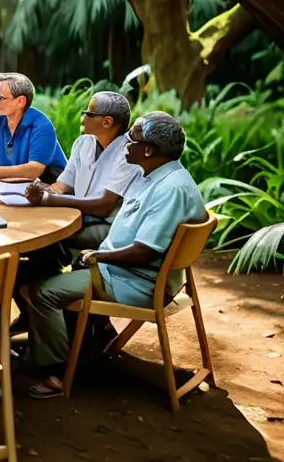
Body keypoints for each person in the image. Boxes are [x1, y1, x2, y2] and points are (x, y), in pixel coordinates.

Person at [23, 112, 207, 399]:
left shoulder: (169, 189)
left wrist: (98, 257)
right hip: (133, 273)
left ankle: (56, 372)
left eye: (131, 140)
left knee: (41, 292)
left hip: (134, 281)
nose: (125, 146)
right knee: (60, 267)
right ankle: (84, 344)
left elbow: (145, 251)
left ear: (148, 150)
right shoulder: (157, 175)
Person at [25, 92, 142, 251]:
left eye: (88, 113)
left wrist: (48, 199)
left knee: (45, 232)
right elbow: (63, 185)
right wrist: (44, 190)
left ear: (107, 122)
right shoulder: (83, 143)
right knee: (32, 220)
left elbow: (104, 207)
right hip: (80, 215)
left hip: (110, 226)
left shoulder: (129, 154)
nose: (83, 117)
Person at [0, 72, 66, 183]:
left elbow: (34, 171)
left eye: (0, 98)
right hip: (12, 187)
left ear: (20, 101)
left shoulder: (42, 126)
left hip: (52, 189)